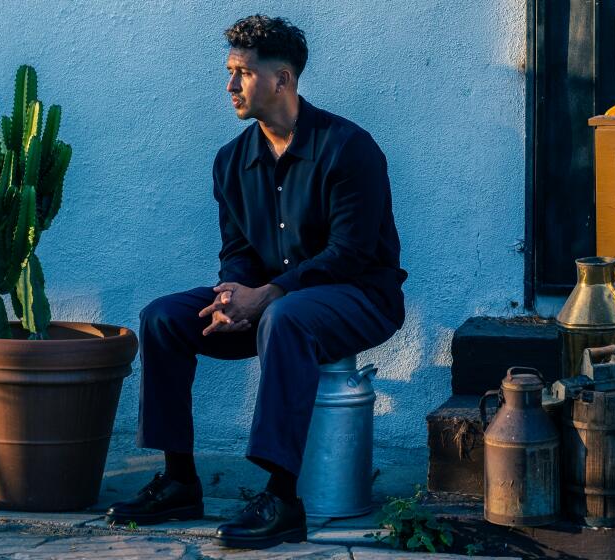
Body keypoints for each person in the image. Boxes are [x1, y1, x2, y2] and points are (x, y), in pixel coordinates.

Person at [105, 14, 408, 550]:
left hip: (361, 297)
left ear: (283, 79)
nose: (230, 86)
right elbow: (239, 251)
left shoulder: (347, 147)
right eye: (229, 71)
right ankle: (179, 480)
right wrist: (230, 297)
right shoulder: (231, 162)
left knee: (286, 315)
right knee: (164, 317)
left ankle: (282, 498)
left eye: (242, 73)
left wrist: (268, 295)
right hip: (270, 307)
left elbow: (350, 253)